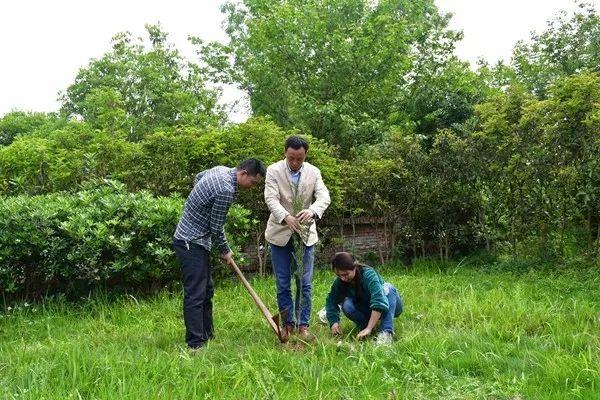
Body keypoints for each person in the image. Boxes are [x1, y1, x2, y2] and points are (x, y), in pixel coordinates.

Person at [173, 158, 266, 350]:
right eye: (253, 183)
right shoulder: (226, 190)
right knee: (196, 294)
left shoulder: (221, 170)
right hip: (190, 242)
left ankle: (207, 335)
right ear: (243, 174)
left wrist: (199, 208)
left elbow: (198, 178)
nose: (252, 187)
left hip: (196, 240)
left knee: (206, 290)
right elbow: (216, 227)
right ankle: (195, 344)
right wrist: (225, 251)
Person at [264, 135, 331, 339]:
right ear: (285, 152)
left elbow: (324, 196)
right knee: (283, 283)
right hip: (280, 235)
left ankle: (303, 325)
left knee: (305, 282)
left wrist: (312, 211)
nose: (295, 162)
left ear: (305, 155)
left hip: (305, 235)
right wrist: (285, 216)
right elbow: (270, 198)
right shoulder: (273, 170)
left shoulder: (314, 172)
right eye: (291, 158)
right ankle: (287, 324)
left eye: (299, 159)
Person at [325, 252, 403, 345]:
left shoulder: (368, 274)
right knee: (346, 305)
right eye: (339, 275)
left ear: (354, 267)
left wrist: (369, 328)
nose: (343, 279)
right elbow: (331, 301)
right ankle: (366, 327)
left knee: (388, 288)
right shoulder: (340, 282)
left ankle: (385, 332)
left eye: (346, 274)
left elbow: (379, 301)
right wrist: (334, 322)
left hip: (389, 306)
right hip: (368, 309)